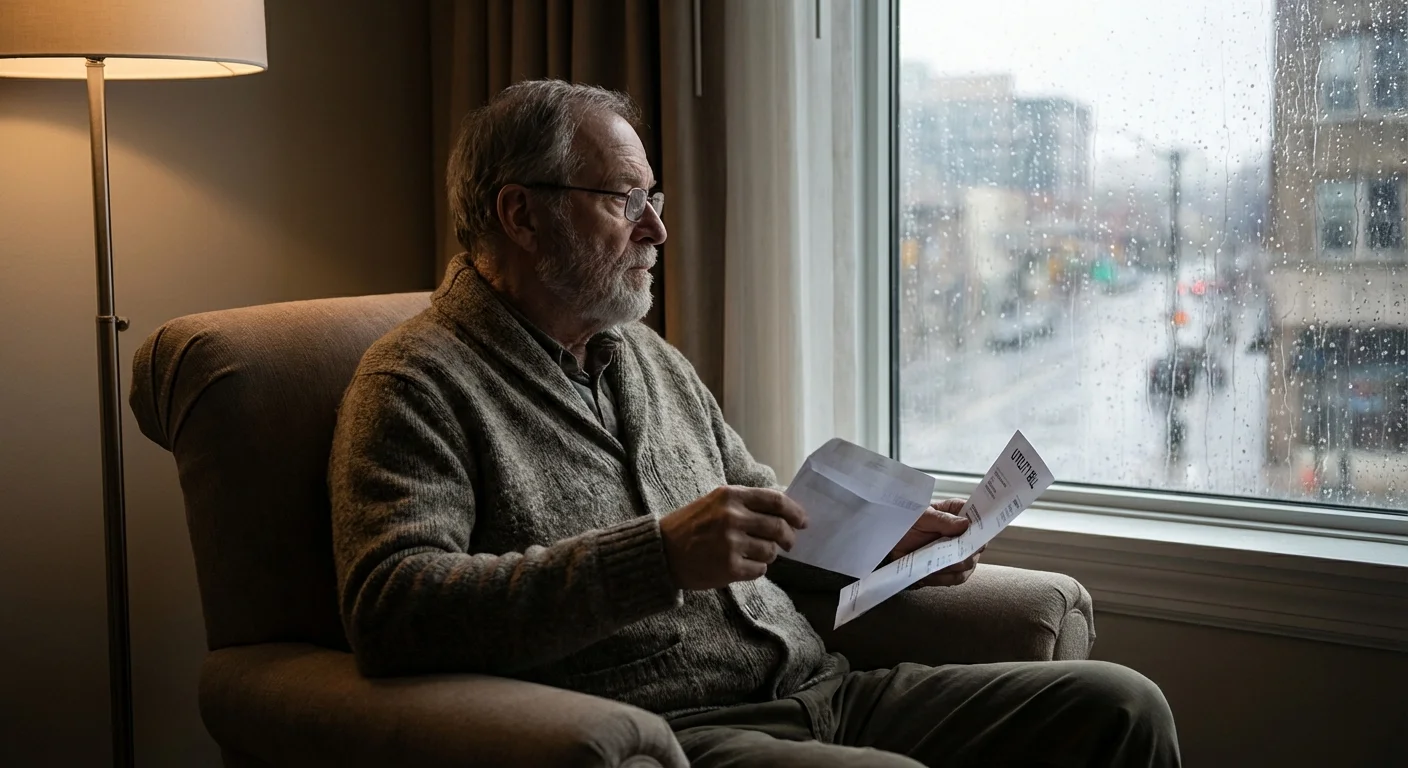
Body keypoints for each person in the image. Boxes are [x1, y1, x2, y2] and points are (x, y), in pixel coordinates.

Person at [328, 79, 1180, 767]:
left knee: (1119, 707)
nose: (657, 228)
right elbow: (392, 610)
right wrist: (656, 557)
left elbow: (769, 529)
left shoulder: (650, 361)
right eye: (625, 200)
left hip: (827, 693)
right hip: (678, 731)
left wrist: (883, 547)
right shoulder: (416, 381)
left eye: (652, 196)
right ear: (520, 214)